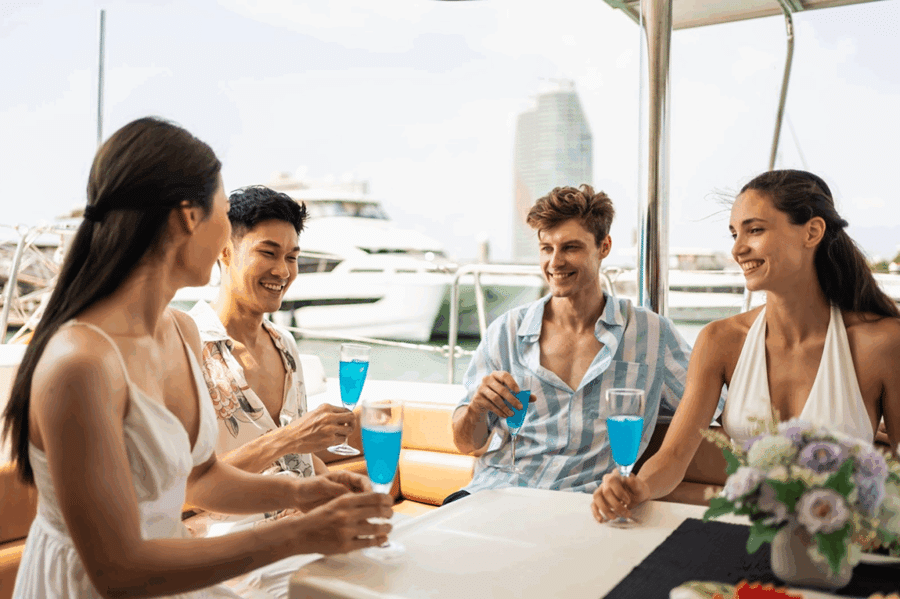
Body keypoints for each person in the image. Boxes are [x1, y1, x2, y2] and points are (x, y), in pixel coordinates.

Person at [0, 117, 392, 598]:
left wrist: (303, 492)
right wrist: (298, 534)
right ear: (189, 218)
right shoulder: (80, 362)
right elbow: (118, 570)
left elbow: (200, 477)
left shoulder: (180, 332)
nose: (226, 232)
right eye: (224, 213)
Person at [592, 169, 900, 523]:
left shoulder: (882, 344)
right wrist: (638, 487)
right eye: (734, 233)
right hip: (741, 534)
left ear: (812, 232)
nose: (738, 249)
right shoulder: (720, 340)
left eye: (755, 230)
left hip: (840, 543)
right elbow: (674, 457)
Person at [448, 184, 710, 502]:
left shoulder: (651, 334)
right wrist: (476, 408)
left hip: (584, 504)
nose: (555, 262)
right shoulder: (506, 331)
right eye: (546, 248)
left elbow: (710, 405)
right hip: (495, 493)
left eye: (570, 247)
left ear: (604, 247)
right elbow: (466, 443)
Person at [185, 185, 357, 535]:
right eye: (268, 253)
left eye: (292, 257)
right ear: (224, 251)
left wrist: (339, 492)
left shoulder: (285, 344)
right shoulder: (186, 344)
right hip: (235, 544)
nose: (283, 271)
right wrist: (290, 438)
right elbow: (187, 489)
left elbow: (298, 459)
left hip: (309, 530)